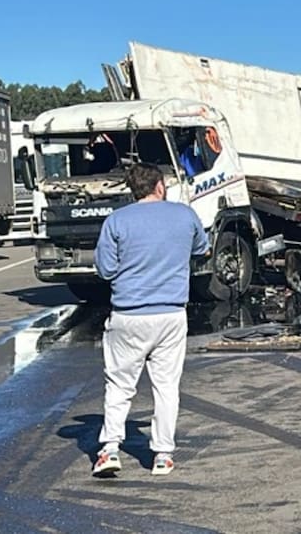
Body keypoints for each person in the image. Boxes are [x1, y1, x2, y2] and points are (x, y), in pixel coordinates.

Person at [92, 163, 210, 478]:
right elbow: (202, 248)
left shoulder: (116, 221)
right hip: (171, 313)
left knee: (119, 385)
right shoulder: (184, 215)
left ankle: (110, 450)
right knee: (166, 386)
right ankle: (162, 456)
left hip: (128, 314)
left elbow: (105, 270)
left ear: (134, 189)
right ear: (159, 185)